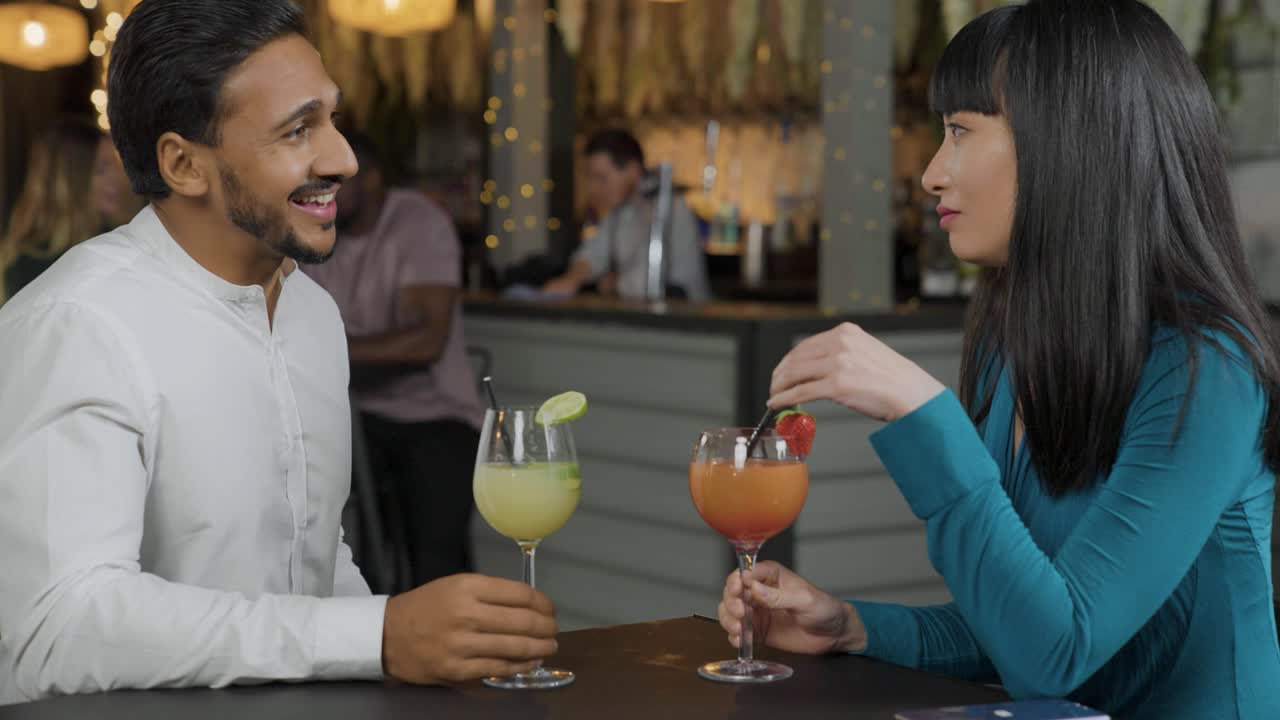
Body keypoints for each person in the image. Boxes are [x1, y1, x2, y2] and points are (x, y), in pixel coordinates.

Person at [716, 2, 1280, 719]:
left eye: (960, 132)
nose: (930, 174)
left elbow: (1057, 649)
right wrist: (852, 625)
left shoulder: (1206, 371)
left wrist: (925, 416)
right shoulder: (1016, 351)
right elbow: (1020, 626)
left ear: (1073, 143)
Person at [0, 0, 556, 705]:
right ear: (183, 164)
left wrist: (397, 642)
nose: (344, 158)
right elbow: (59, 623)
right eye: (298, 130)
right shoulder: (77, 323)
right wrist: (377, 635)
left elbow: (312, 560)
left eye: (331, 117)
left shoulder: (311, 314)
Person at [306, 131, 484, 588]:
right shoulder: (318, 231)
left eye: (335, 182)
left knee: (437, 567)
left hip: (436, 415)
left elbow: (426, 340)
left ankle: (454, 647)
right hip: (358, 414)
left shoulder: (417, 224)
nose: (324, 193)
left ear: (373, 179)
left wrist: (335, 352)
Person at [542, 128, 710, 302]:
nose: (594, 188)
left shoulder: (672, 208)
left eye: (601, 178)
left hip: (685, 319)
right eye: (591, 178)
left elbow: (647, 282)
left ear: (633, 170)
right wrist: (571, 280)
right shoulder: (620, 211)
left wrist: (613, 282)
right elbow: (592, 254)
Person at [1, 119, 140, 302]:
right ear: (67, 181)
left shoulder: (115, 242)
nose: (118, 179)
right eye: (101, 169)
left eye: (117, 166)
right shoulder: (33, 264)